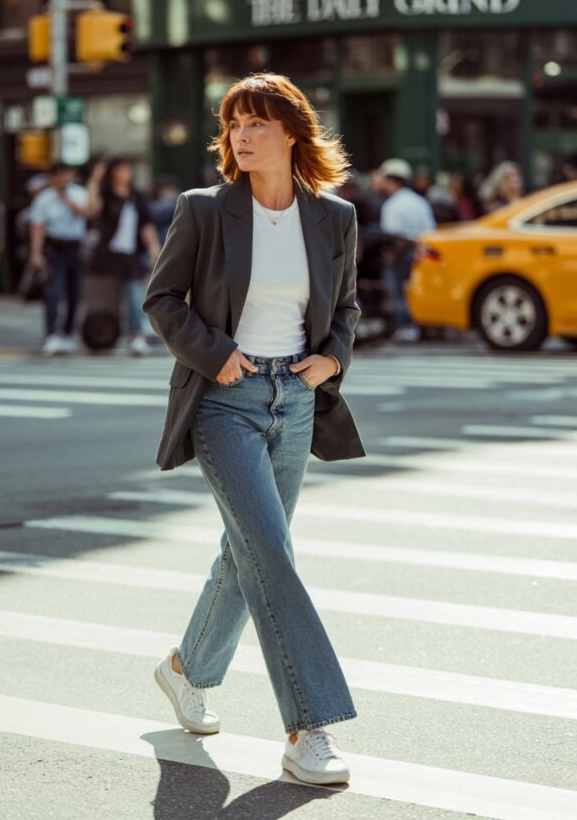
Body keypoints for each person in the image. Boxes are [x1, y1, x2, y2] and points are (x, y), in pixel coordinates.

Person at [143, 72, 365, 786]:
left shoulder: (334, 217)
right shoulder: (205, 209)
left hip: (295, 400)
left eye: (257, 123)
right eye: (234, 123)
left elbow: (346, 307)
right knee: (270, 553)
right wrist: (216, 355)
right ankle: (310, 728)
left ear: (292, 133)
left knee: (248, 552)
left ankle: (186, 670)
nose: (241, 135)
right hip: (226, 400)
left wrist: (332, 359)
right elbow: (163, 298)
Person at [86, 157, 161, 356]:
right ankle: (104, 336)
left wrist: (154, 248)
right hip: (107, 255)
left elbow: (146, 225)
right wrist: (94, 180)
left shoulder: (136, 197)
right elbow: (91, 211)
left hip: (130, 256)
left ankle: (136, 336)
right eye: (119, 170)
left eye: (127, 170)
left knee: (135, 296)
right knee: (106, 301)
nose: (123, 174)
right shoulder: (105, 195)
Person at [29, 162, 89, 356]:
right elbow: (37, 226)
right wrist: (36, 253)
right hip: (54, 248)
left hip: (76, 246)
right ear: (52, 177)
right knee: (53, 292)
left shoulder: (80, 194)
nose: (64, 179)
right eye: (60, 175)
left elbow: (86, 213)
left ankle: (69, 332)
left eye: (67, 175)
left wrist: (66, 200)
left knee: (75, 293)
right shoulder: (44, 198)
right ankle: (52, 334)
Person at [377, 157, 436, 342]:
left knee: (400, 293)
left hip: (401, 255)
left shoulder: (392, 205)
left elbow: (391, 235)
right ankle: (419, 326)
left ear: (392, 181)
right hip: (423, 253)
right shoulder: (420, 202)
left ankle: (405, 326)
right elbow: (431, 229)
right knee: (417, 291)